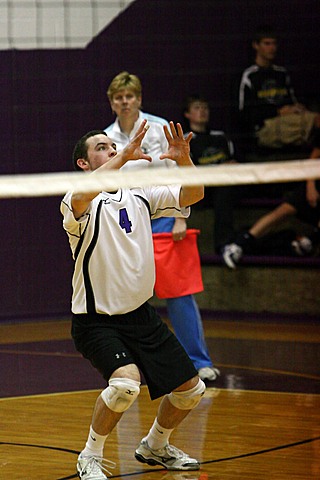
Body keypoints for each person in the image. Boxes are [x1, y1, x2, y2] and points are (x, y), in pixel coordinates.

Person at [61, 120, 207, 480]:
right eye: (102, 148)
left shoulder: (139, 191)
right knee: (125, 385)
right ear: (84, 162)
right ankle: (90, 456)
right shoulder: (77, 197)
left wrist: (184, 160)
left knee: (192, 390)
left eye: (114, 146)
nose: (111, 150)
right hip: (96, 320)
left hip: (140, 316)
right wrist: (126, 155)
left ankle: (155, 445)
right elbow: (85, 195)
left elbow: (194, 195)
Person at [104, 71, 220, 382]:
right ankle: (127, 367)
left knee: (179, 292)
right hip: (129, 221)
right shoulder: (105, 138)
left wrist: (182, 216)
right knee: (127, 295)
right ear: (112, 103)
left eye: (129, 96)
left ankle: (198, 361)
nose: (125, 102)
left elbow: (180, 174)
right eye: (119, 97)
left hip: (166, 214)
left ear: (138, 99)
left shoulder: (160, 129)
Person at [222, 149, 320, 268]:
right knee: (284, 210)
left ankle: (310, 240)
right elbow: (315, 154)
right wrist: (311, 185)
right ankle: (239, 244)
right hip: (315, 184)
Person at [239, 25, 320, 162]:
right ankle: (310, 176)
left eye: (274, 44)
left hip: (290, 122)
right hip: (265, 127)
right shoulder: (248, 75)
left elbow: (292, 101)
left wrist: (297, 108)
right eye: (267, 43)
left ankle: (311, 171)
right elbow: (244, 114)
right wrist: (278, 111)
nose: (272, 48)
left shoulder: (281, 73)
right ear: (256, 45)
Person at [182, 94, 237, 252]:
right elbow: (188, 172)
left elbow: (235, 162)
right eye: (197, 107)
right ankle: (224, 244)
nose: (202, 111)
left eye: (205, 107)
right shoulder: (186, 141)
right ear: (187, 114)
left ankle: (228, 244)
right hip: (200, 190)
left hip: (227, 185)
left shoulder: (221, 137)